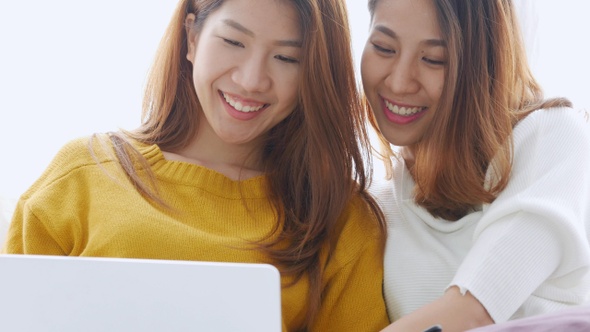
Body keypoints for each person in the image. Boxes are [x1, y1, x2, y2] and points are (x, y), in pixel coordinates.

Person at [1, 0, 390, 330]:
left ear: (314, 73)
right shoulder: (82, 176)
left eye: (286, 58)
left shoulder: (341, 221)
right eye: (234, 41)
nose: (251, 80)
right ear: (192, 37)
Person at [360, 0, 590, 331]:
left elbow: (475, 309)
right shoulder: (374, 202)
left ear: (484, 64)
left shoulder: (550, 138)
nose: (399, 82)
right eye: (383, 48)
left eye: (433, 59)